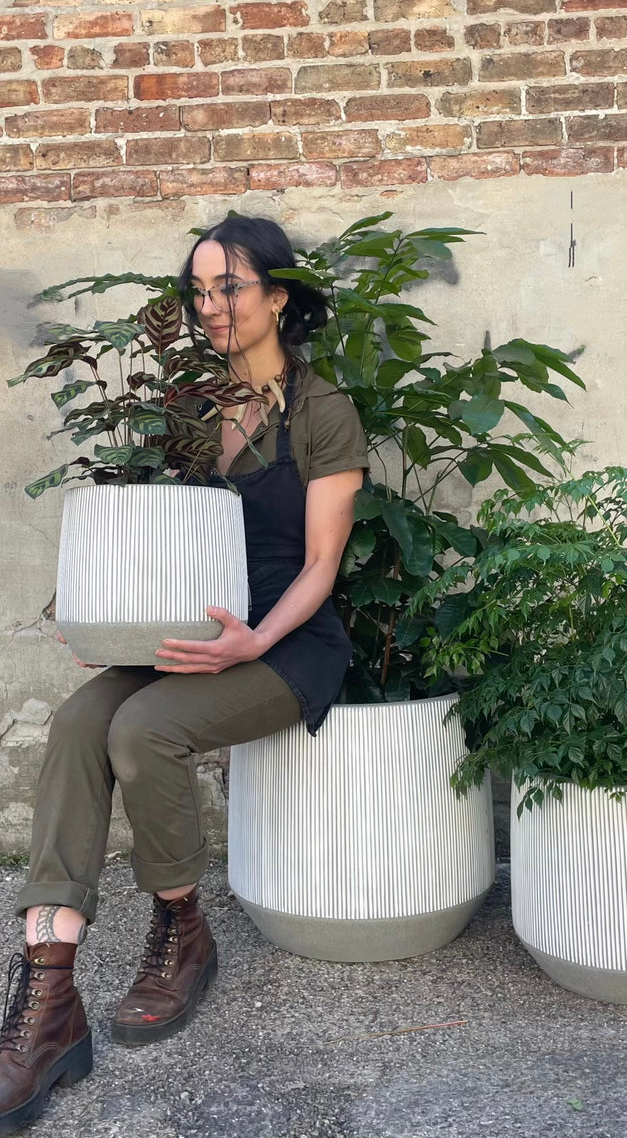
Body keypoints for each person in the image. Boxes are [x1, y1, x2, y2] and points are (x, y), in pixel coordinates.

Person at [0, 215, 369, 1132]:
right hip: (194, 638)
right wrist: (107, 623)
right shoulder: (196, 412)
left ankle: (183, 931)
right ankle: (48, 1000)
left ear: (277, 297)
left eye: (229, 288)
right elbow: (163, 546)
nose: (210, 307)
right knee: (86, 715)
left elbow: (323, 565)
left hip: (288, 646)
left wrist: (253, 641)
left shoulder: (323, 411)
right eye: (198, 292)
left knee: (141, 728)